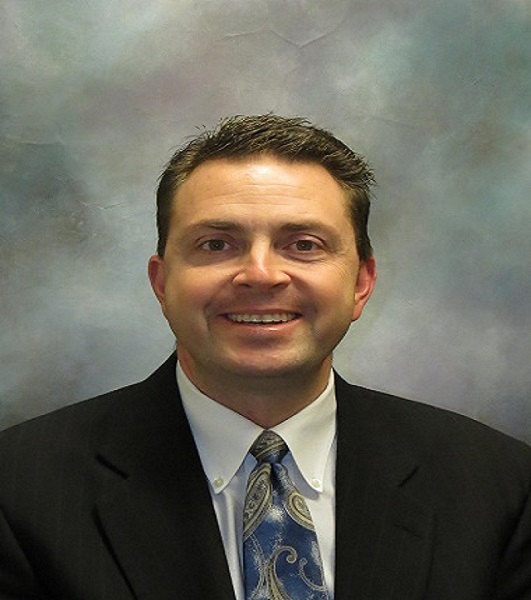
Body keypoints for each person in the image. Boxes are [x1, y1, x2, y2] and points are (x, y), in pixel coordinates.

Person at [0, 114, 530, 600]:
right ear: (162, 283)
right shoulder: (19, 490)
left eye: (303, 245)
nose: (260, 274)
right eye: (216, 244)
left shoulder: (499, 488)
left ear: (361, 284)